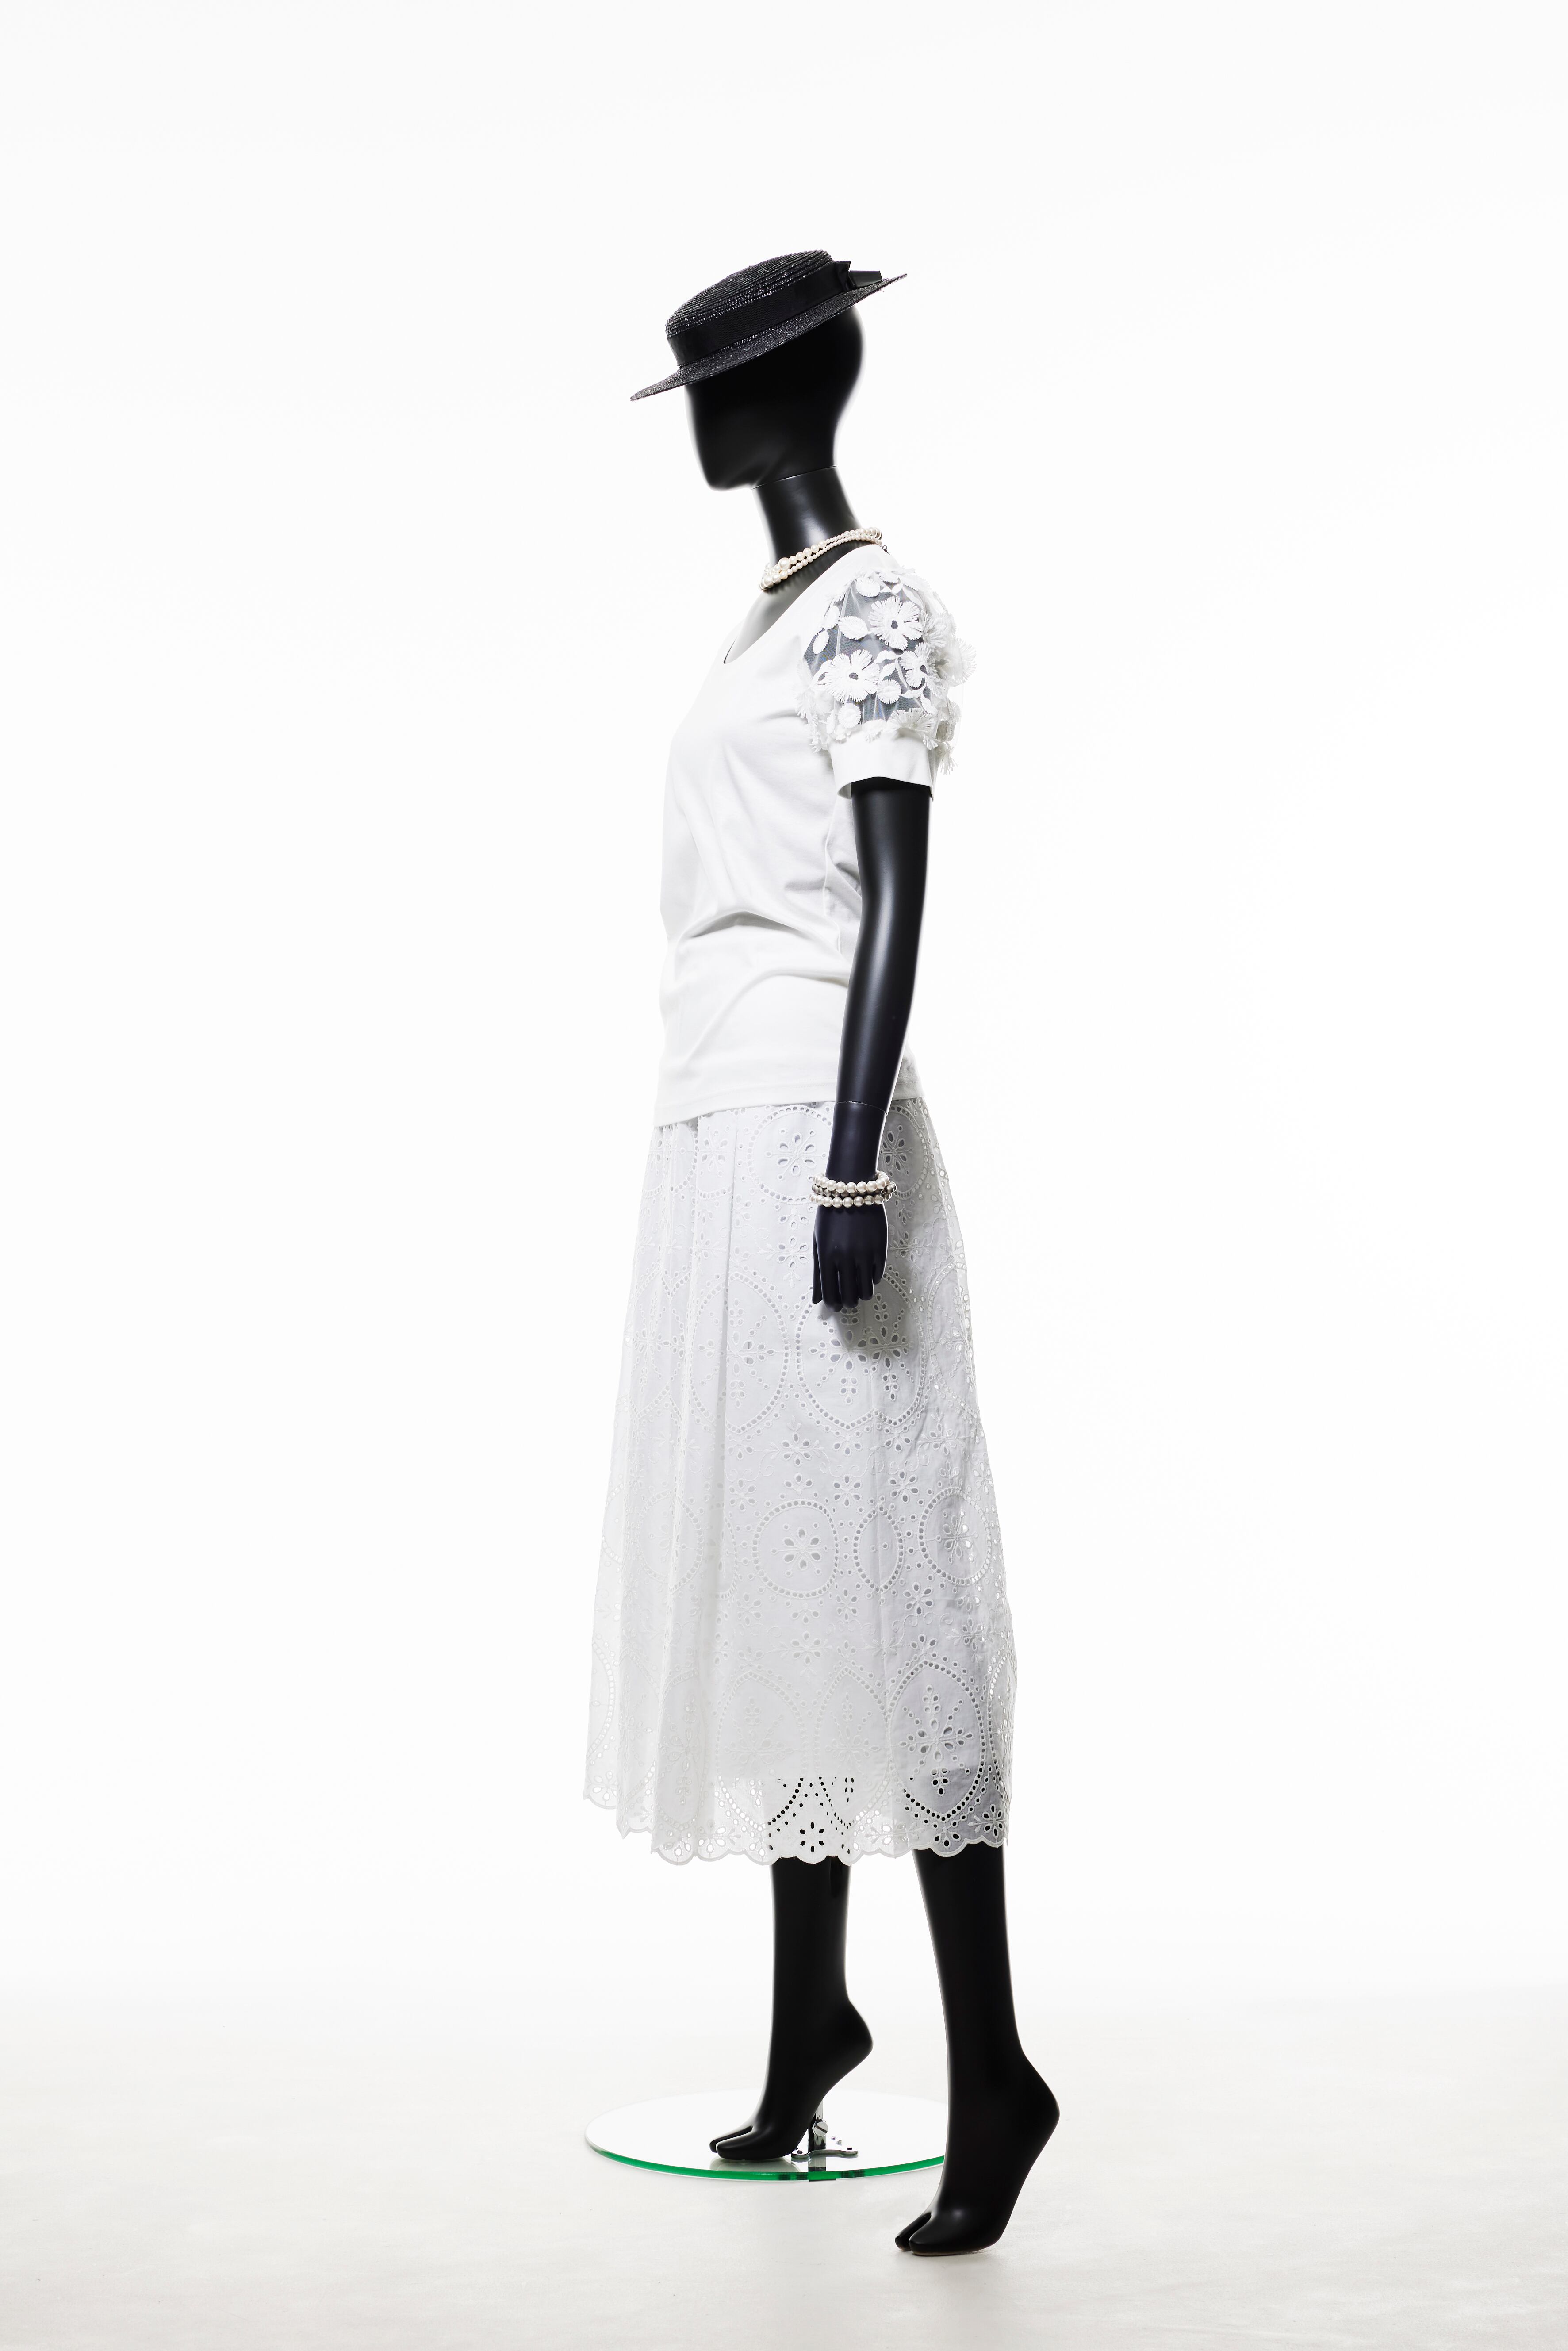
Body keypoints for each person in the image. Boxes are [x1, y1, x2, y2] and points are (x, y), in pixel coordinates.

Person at [585, 253, 1055, 2255]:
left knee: (884, 1583)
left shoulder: (869, 609)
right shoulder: (766, 618)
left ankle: (995, 2070)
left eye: (711, 388)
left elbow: (891, 896)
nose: (694, 421)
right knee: (775, 1596)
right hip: (716, 1118)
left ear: (777, 394)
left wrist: (850, 1163)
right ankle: (808, 2034)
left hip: (810, 1131)